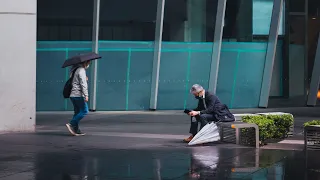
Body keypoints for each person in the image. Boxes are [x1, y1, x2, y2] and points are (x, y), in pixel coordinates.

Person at [66, 60, 90, 136]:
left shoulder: (74, 70)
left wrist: (85, 79)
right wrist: (86, 95)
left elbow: (75, 82)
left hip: (72, 95)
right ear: (85, 63)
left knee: (77, 112)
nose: (89, 64)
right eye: (89, 63)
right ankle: (71, 124)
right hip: (78, 95)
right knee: (84, 111)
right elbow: (83, 84)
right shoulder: (81, 70)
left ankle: (76, 130)